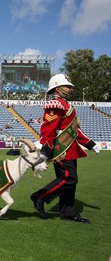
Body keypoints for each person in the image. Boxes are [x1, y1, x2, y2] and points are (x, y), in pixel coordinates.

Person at [30, 74, 100, 224]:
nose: (71, 88)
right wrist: (46, 150)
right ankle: (40, 196)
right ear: (58, 87)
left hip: (70, 148)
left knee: (71, 180)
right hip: (60, 149)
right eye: (67, 85)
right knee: (69, 178)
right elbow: (48, 129)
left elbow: (74, 130)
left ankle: (67, 212)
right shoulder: (55, 104)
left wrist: (90, 143)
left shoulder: (67, 105)